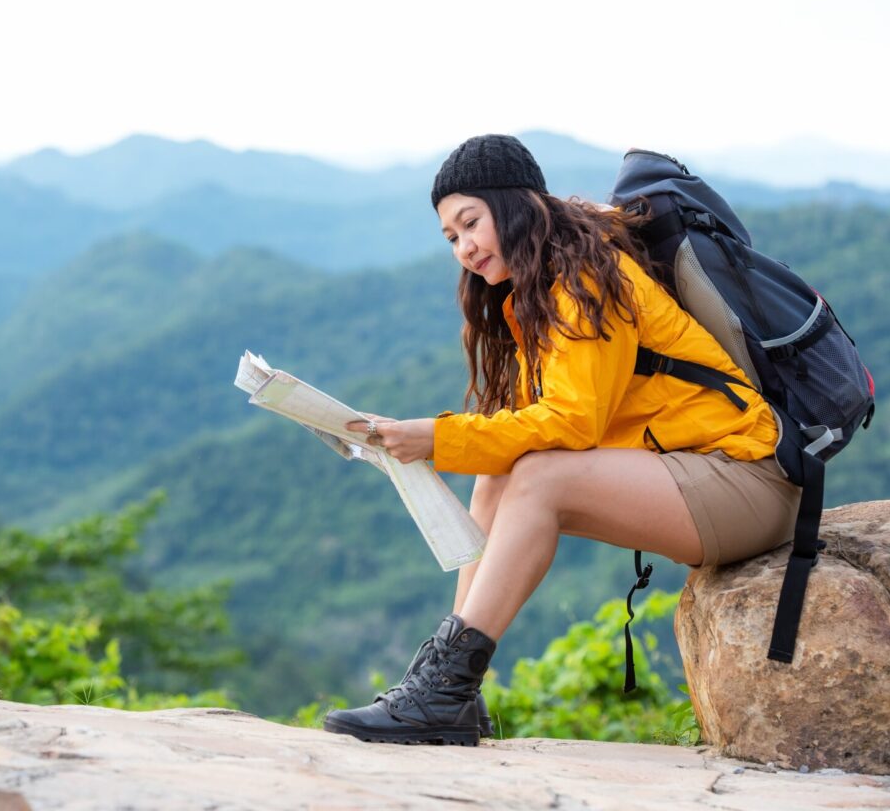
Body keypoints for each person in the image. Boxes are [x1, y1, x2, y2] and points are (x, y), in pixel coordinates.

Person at [322, 134, 801, 747]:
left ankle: (442, 692)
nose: (465, 247)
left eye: (471, 223)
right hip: (696, 473)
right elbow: (528, 425)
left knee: (539, 477)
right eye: (451, 237)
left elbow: (572, 425)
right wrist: (417, 437)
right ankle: (453, 691)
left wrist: (435, 438)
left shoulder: (585, 278)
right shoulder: (545, 285)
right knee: (502, 471)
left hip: (747, 479)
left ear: (515, 205)